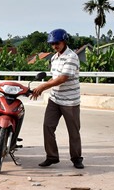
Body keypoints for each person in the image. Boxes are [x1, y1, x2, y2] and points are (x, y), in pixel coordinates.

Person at [30, 29, 84, 169]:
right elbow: (54, 77)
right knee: (48, 126)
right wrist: (42, 87)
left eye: (57, 43)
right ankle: (52, 156)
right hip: (55, 99)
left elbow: (62, 78)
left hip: (70, 101)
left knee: (73, 131)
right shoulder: (54, 58)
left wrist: (43, 87)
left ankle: (77, 158)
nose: (54, 46)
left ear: (64, 41)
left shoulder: (71, 57)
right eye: (52, 44)